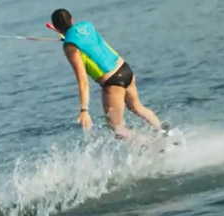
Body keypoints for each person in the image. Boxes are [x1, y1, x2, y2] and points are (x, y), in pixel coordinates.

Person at [50, 9, 168, 139]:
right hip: (125, 69)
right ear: (72, 19)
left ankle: (149, 147)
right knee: (137, 107)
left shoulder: (70, 47)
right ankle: (165, 132)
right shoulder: (87, 25)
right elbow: (85, 42)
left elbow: (82, 80)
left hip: (112, 81)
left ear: (55, 27)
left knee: (117, 128)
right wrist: (67, 38)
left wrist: (84, 110)